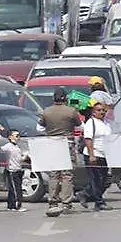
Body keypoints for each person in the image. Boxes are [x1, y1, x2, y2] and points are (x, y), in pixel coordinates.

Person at [40, 88, 83, 217]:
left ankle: (52, 201)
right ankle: (66, 203)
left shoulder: (46, 111)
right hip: (67, 144)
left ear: (54, 98)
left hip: (52, 144)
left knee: (54, 174)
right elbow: (79, 125)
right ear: (65, 98)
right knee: (66, 175)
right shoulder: (71, 111)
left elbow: (40, 126)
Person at [82, 100, 111, 211]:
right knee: (96, 180)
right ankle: (99, 202)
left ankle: (84, 194)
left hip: (104, 156)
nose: (102, 112)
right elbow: (88, 139)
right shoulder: (91, 123)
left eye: (103, 110)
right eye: (99, 110)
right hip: (94, 154)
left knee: (103, 180)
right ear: (94, 112)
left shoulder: (106, 123)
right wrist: (91, 155)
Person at [1, 130, 28, 212]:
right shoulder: (8, 146)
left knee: (14, 188)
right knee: (16, 189)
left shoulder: (17, 146)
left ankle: (11, 205)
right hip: (12, 170)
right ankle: (17, 205)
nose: (18, 137)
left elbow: (19, 159)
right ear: (10, 137)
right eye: (16, 135)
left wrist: (25, 156)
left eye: (19, 135)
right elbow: (1, 149)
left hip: (18, 169)